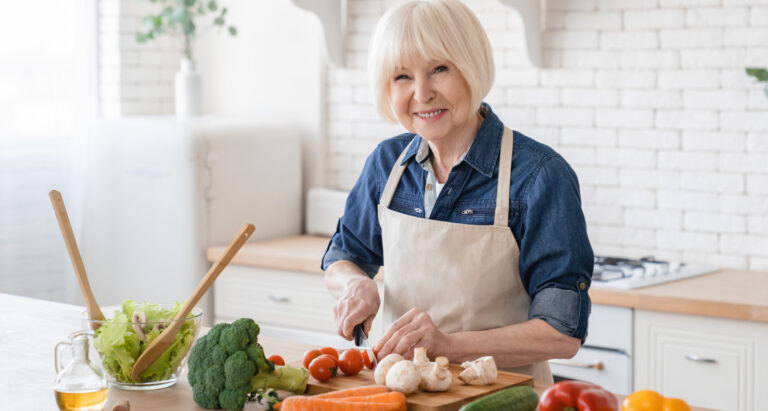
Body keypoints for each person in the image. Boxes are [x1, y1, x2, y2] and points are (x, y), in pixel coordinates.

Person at [321, 0, 593, 383]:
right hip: (405, 398)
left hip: (503, 402)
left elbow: (561, 333)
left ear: (471, 66)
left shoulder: (538, 176)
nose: (422, 93)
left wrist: (448, 345)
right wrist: (355, 284)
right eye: (402, 76)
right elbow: (342, 256)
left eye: (439, 69)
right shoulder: (387, 165)